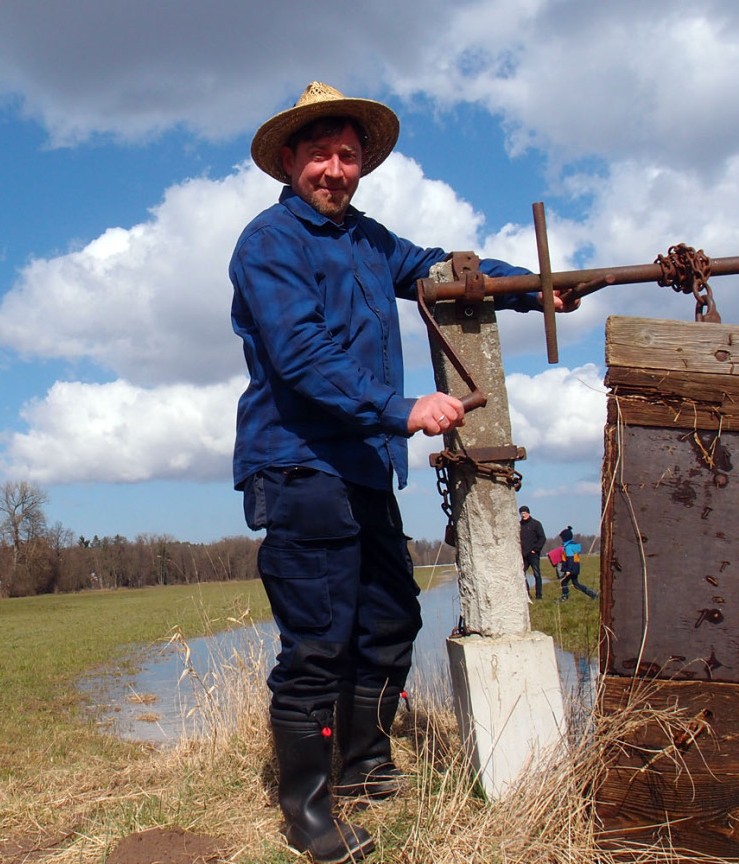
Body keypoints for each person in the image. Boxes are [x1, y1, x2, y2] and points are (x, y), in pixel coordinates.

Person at [230, 82, 577, 864]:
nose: (335, 170)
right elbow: (301, 354)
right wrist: (401, 407)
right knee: (318, 642)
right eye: (320, 155)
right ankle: (309, 813)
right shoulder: (269, 243)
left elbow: (435, 270)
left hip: (361, 468)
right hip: (298, 465)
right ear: (289, 160)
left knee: (389, 618)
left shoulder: (367, 241)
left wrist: (535, 288)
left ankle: (364, 764)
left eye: (348, 156)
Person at [556, 526, 598, 602]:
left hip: (571, 569)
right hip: (575, 568)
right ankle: (592, 594)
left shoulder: (568, 547)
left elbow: (570, 559)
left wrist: (568, 570)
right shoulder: (573, 546)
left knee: (564, 582)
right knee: (576, 584)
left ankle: (565, 597)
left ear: (565, 538)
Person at [519, 505, 546, 599]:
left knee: (537, 574)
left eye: (524, 513)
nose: (523, 515)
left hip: (533, 554)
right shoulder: (519, 525)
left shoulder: (536, 524)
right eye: (521, 513)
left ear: (528, 513)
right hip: (523, 554)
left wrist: (536, 549)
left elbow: (542, 538)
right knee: (521, 573)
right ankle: (527, 594)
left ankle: (539, 595)